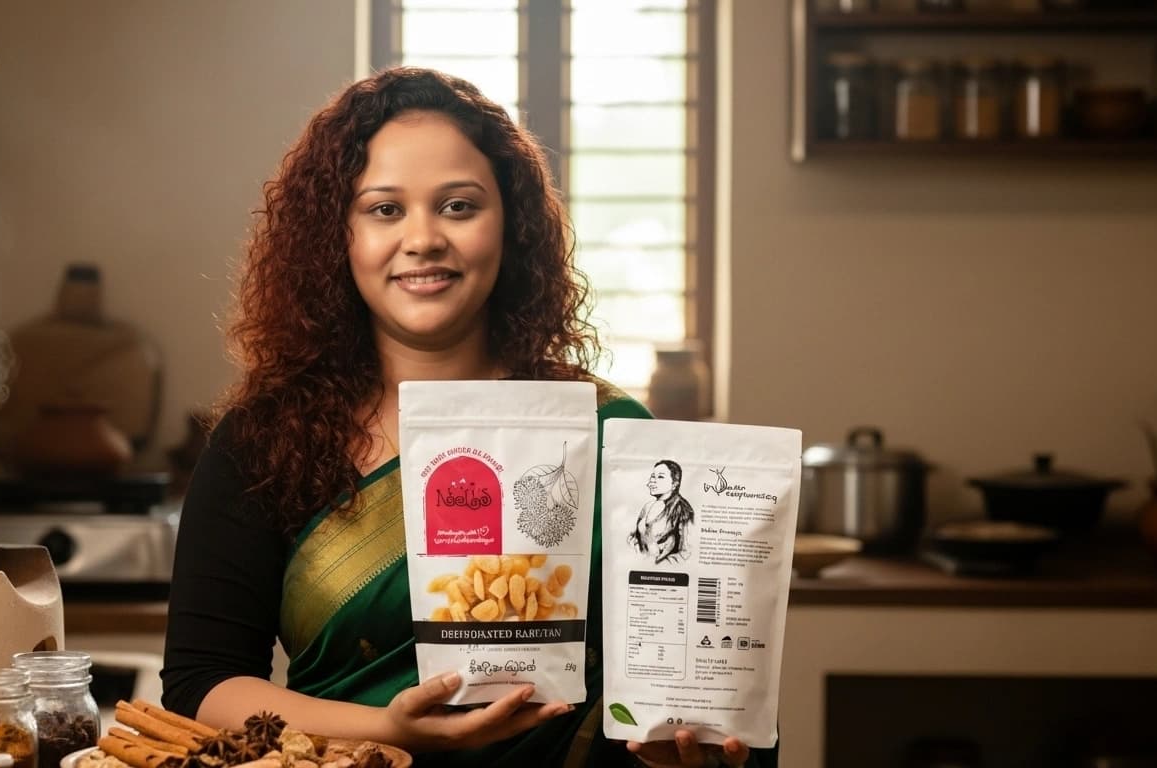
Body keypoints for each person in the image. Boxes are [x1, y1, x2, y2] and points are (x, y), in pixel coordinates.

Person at [160, 67, 773, 768]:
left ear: (510, 226)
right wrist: (388, 730)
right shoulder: (265, 440)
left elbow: (697, 686)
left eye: (458, 206)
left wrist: (674, 751)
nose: (423, 239)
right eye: (384, 209)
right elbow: (201, 684)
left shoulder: (615, 437)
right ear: (338, 236)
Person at [629, 460, 695, 564]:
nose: (653, 481)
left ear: (674, 484)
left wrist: (657, 565)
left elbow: (686, 554)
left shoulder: (684, 510)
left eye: (660, 477)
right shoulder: (647, 506)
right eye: (653, 476)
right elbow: (634, 536)